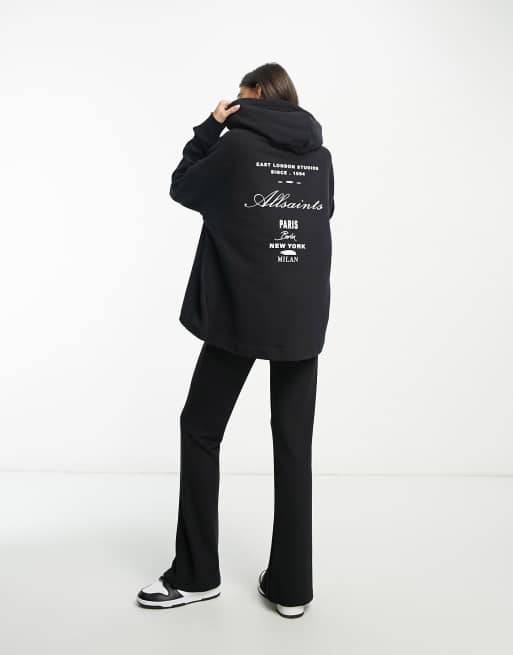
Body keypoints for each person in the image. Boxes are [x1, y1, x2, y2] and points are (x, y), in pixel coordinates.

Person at [136, 62, 334, 619]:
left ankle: (196, 574)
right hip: (302, 318)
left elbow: (182, 186)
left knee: (200, 429)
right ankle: (291, 590)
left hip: (242, 312)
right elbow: (321, 216)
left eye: (239, 94)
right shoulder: (320, 157)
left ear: (253, 96)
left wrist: (211, 125)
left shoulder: (237, 147)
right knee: (293, 446)